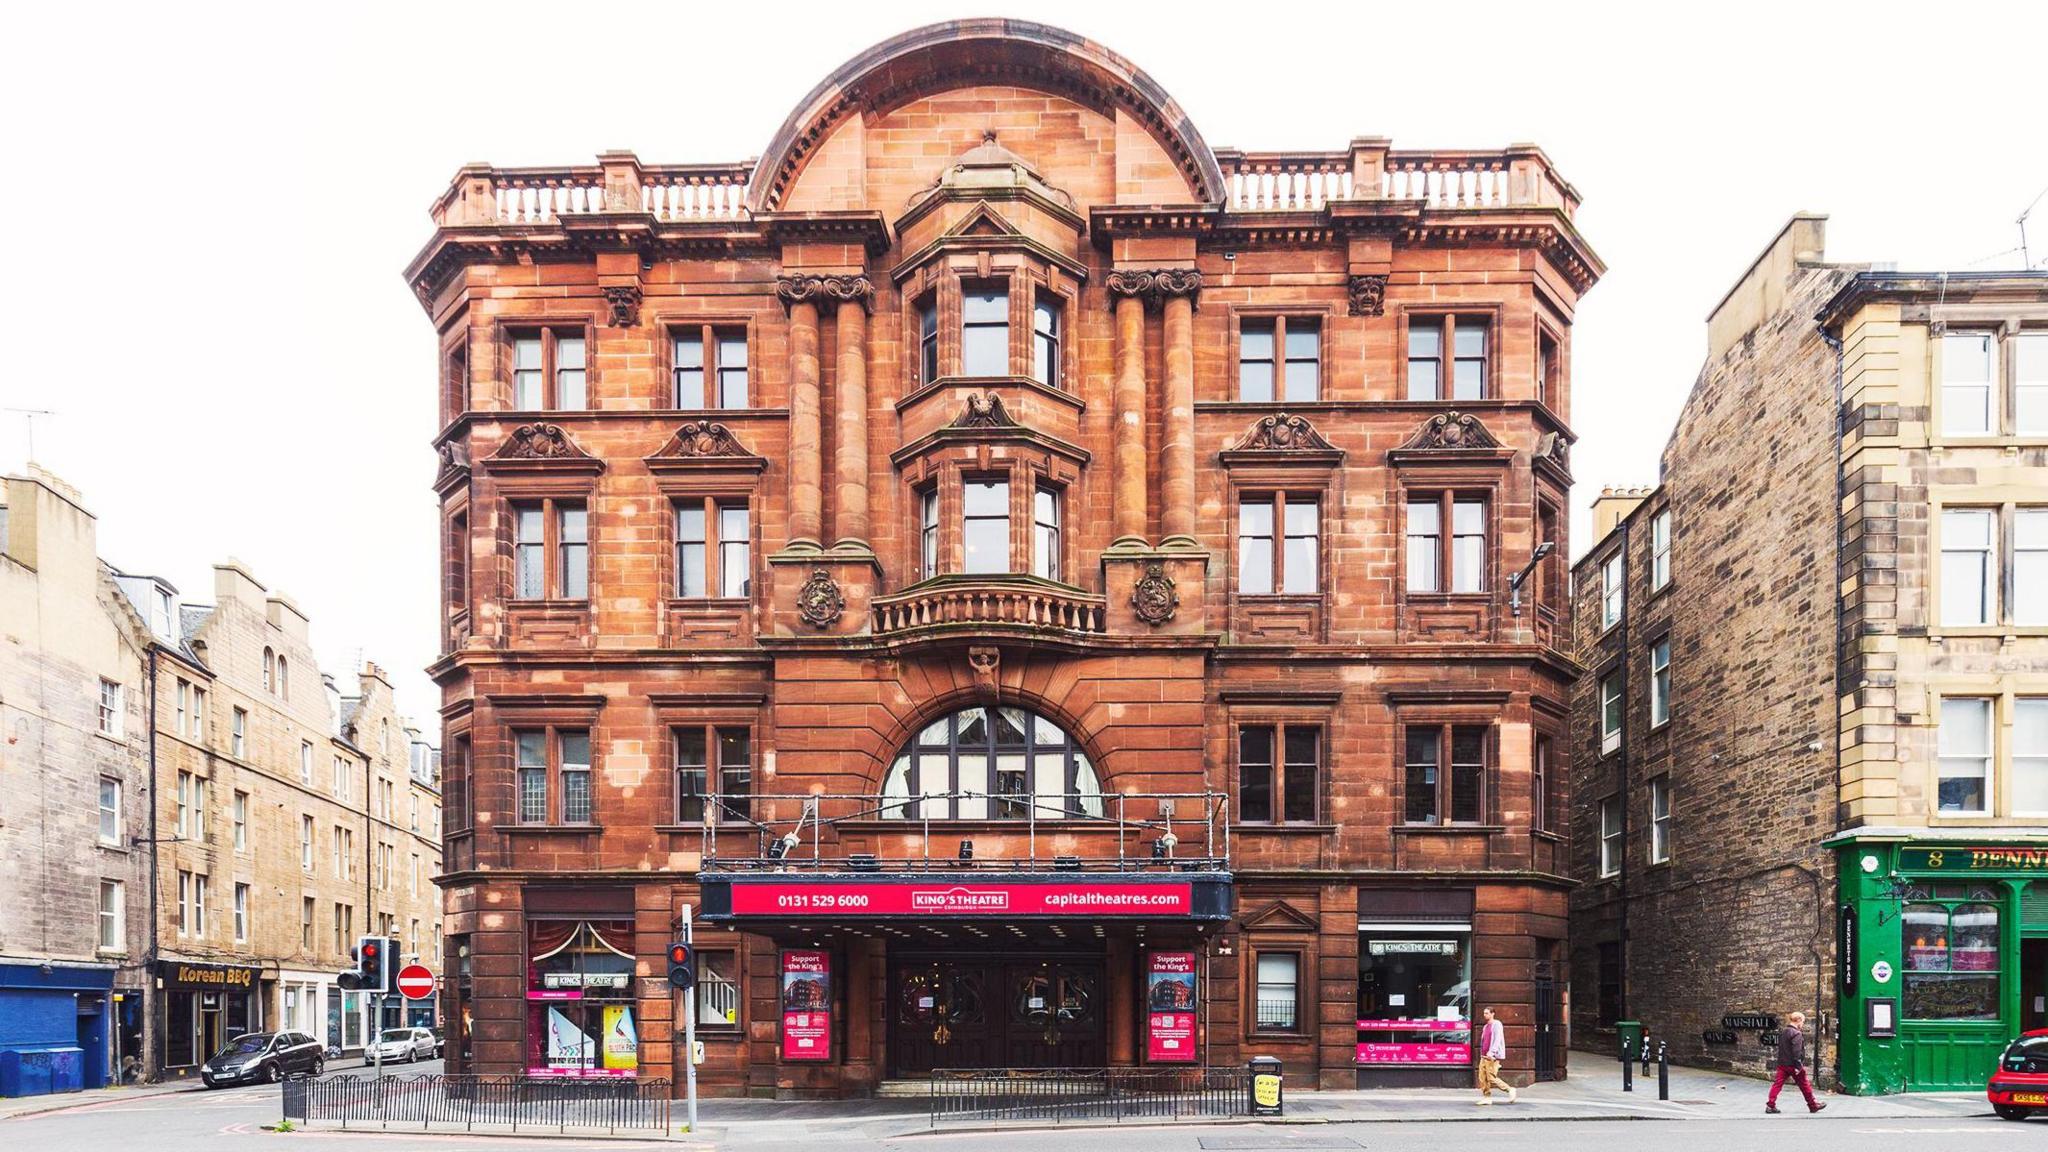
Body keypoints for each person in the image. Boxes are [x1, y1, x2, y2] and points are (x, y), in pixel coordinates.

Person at [1765, 1011, 1825, 1114]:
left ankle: (1770, 1105)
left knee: (1777, 1085)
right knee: (1804, 1085)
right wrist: (1798, 1066)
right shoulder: (1796, 1033)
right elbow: (1797, 1051)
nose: (1802, 1024)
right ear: (1798, 1020)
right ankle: (1813, 1105)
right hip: (1793, 1065)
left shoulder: (1784, 1031)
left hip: (1783, 1064)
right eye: (1803, 1022)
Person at [1474, 1006, 1517, 1105]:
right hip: (1484, 1056)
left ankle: (1510, 1090)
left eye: (1487, 1013)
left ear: (1493, 1013)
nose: (1485, 1015)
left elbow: (1497, 1040)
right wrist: (1483, 1053)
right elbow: (1484, 1041)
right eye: (1484, 1013)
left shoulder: (1497, 1024)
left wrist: (1492, 1053)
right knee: (1482, 1077)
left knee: (1491, 1078)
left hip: (1492, 1056)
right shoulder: (1485, 1027)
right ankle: (1487, 1097)